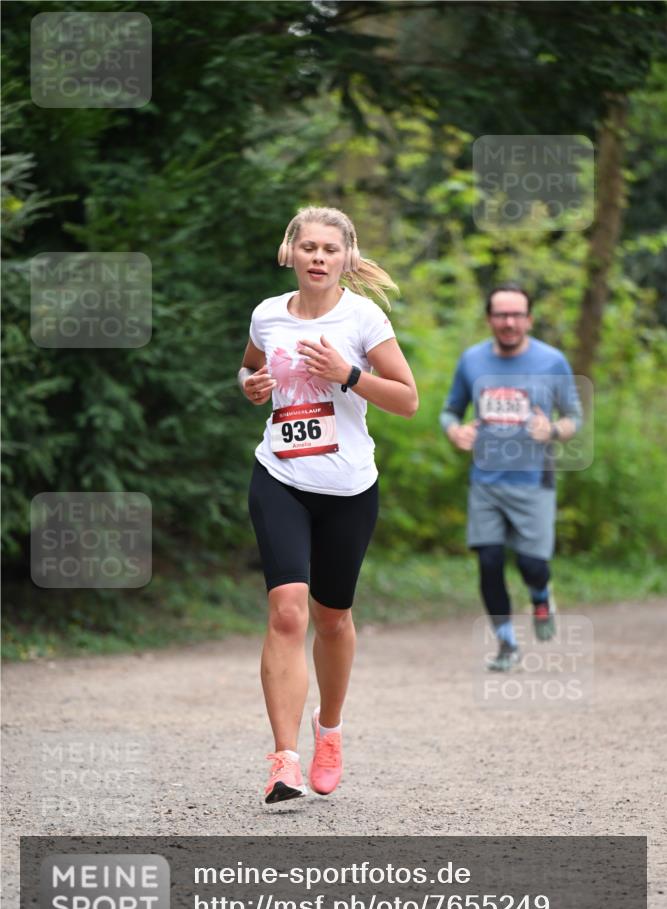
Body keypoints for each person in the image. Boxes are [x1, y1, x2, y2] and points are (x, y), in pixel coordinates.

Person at [238, 206, 418, 803]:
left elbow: (407, 399)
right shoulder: (268, 314)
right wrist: (251, 387)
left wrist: (347, 375)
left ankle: (330, 730)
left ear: (346, 259)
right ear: (290, 252)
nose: (318, 257)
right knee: (287, 610)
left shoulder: (362, 318)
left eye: (329, 250)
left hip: (347, 489)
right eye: (308, 247)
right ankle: (284, 760)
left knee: (332, 618)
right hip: (280, 476)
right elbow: (249, 370)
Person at [440, 283, 582, 671]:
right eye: (501, 315)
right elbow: (450, 410)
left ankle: (540, 594)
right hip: (486, 481)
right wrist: (456, 431)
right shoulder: (471, 361)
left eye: (517, 315)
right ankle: (506, 644)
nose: (509, 322)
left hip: (533, 480)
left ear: (529, 320)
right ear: (489, 319)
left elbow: (575, 418)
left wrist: (551, 431)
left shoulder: (552, 361)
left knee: (531, 564)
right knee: (488, 561)